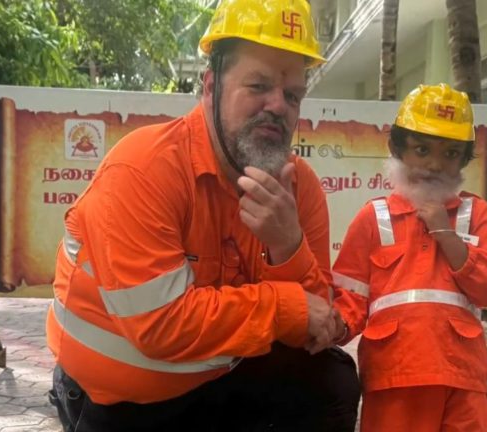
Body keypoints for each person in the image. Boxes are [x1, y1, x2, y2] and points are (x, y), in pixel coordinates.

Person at [46, 0, 360, 430]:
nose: (278, 106)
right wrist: (284, 307)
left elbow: (317, 326)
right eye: (258, 86)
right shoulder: (145, 168)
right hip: (119, 404)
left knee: (333, 379)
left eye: (292, 95)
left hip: (219, 376)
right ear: (210, 85)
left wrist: (288, 245)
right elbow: (159, 326)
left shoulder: (299, 187)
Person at [331, 83, 487, 431]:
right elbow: (351, 298)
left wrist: (445, 234)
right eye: (422, 149)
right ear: (398, 150)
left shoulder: (475, 213)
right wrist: (330, 328)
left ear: (464, 160)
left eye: (450, 154)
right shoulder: (374, 217)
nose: (434, 164)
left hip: (461, 375)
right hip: (394, 373)